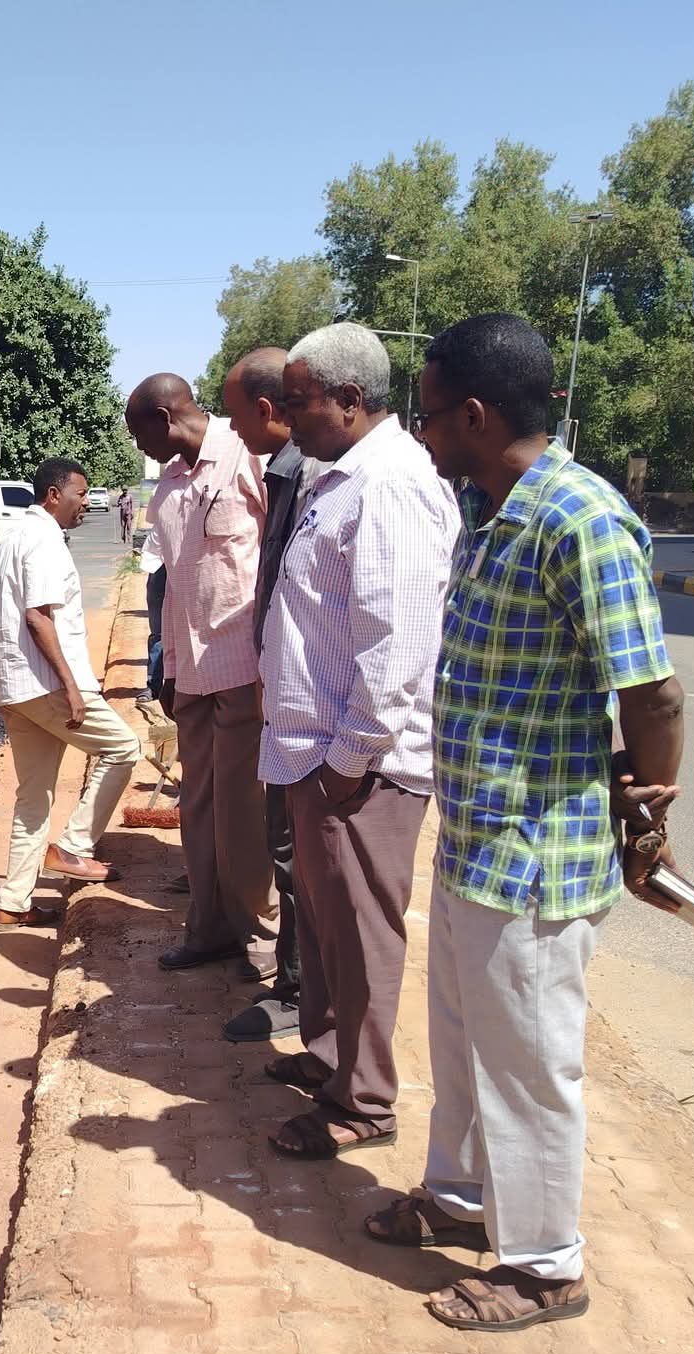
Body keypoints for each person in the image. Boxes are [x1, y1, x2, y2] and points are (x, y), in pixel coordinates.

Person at [364, 313, 685, 1331]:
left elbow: (651, 693)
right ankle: (459, 1199)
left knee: (531, 1068)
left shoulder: (577, 518)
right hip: (477, 842)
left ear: (473, 414)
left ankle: (547, 1268)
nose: (419, 432)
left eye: (426, 415)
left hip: (539, 854)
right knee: (465, 1046)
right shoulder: (492, 510)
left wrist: (647, 816)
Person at [258, 323, 460, 1159]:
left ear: (348, 399)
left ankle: (365, 1103)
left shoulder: (390, 487)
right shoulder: (342, 479)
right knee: (328, 927)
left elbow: (397, 643)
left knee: (362, 935)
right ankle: (331, 1059)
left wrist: (351, 759)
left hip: (359, 767)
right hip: (321, 755)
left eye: (298, 401)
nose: (286, 417)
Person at [127, 374, 273, 979]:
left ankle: (260, 937)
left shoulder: (247, 457)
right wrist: (165, 662)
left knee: (243, 812)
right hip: (189, 670)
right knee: (198, 807)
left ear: (165, 418)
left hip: (241, 666)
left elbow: (274, 558)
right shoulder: (170, 482)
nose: (140, 447)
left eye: (140, 434)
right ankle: (209, 929)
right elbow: (172, 581)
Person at [0, 456, 142, 932]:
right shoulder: (44, 539)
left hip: (13, 688)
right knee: (123, 748)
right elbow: (38, 617)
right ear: (54, 495)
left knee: (34, 798)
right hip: (46, 684)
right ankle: (73, 848)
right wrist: (72, 686)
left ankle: (13, 904)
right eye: (80, 494)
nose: (86, 504)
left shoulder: (15, 537)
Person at [215, 348, 309, 1042]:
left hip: (312, 714)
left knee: (298, 859)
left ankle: (301, 993)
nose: (233, 428)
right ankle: (297, 987)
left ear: (267, 409)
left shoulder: (306, 476)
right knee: (288, 851)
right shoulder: (284, 472)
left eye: (236, 414)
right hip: (281, 696)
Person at [138, 520, 166, 706]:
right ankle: (154, 686)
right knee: (158, 633)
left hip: (189, 566)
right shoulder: (164, 508)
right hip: (159, 567)